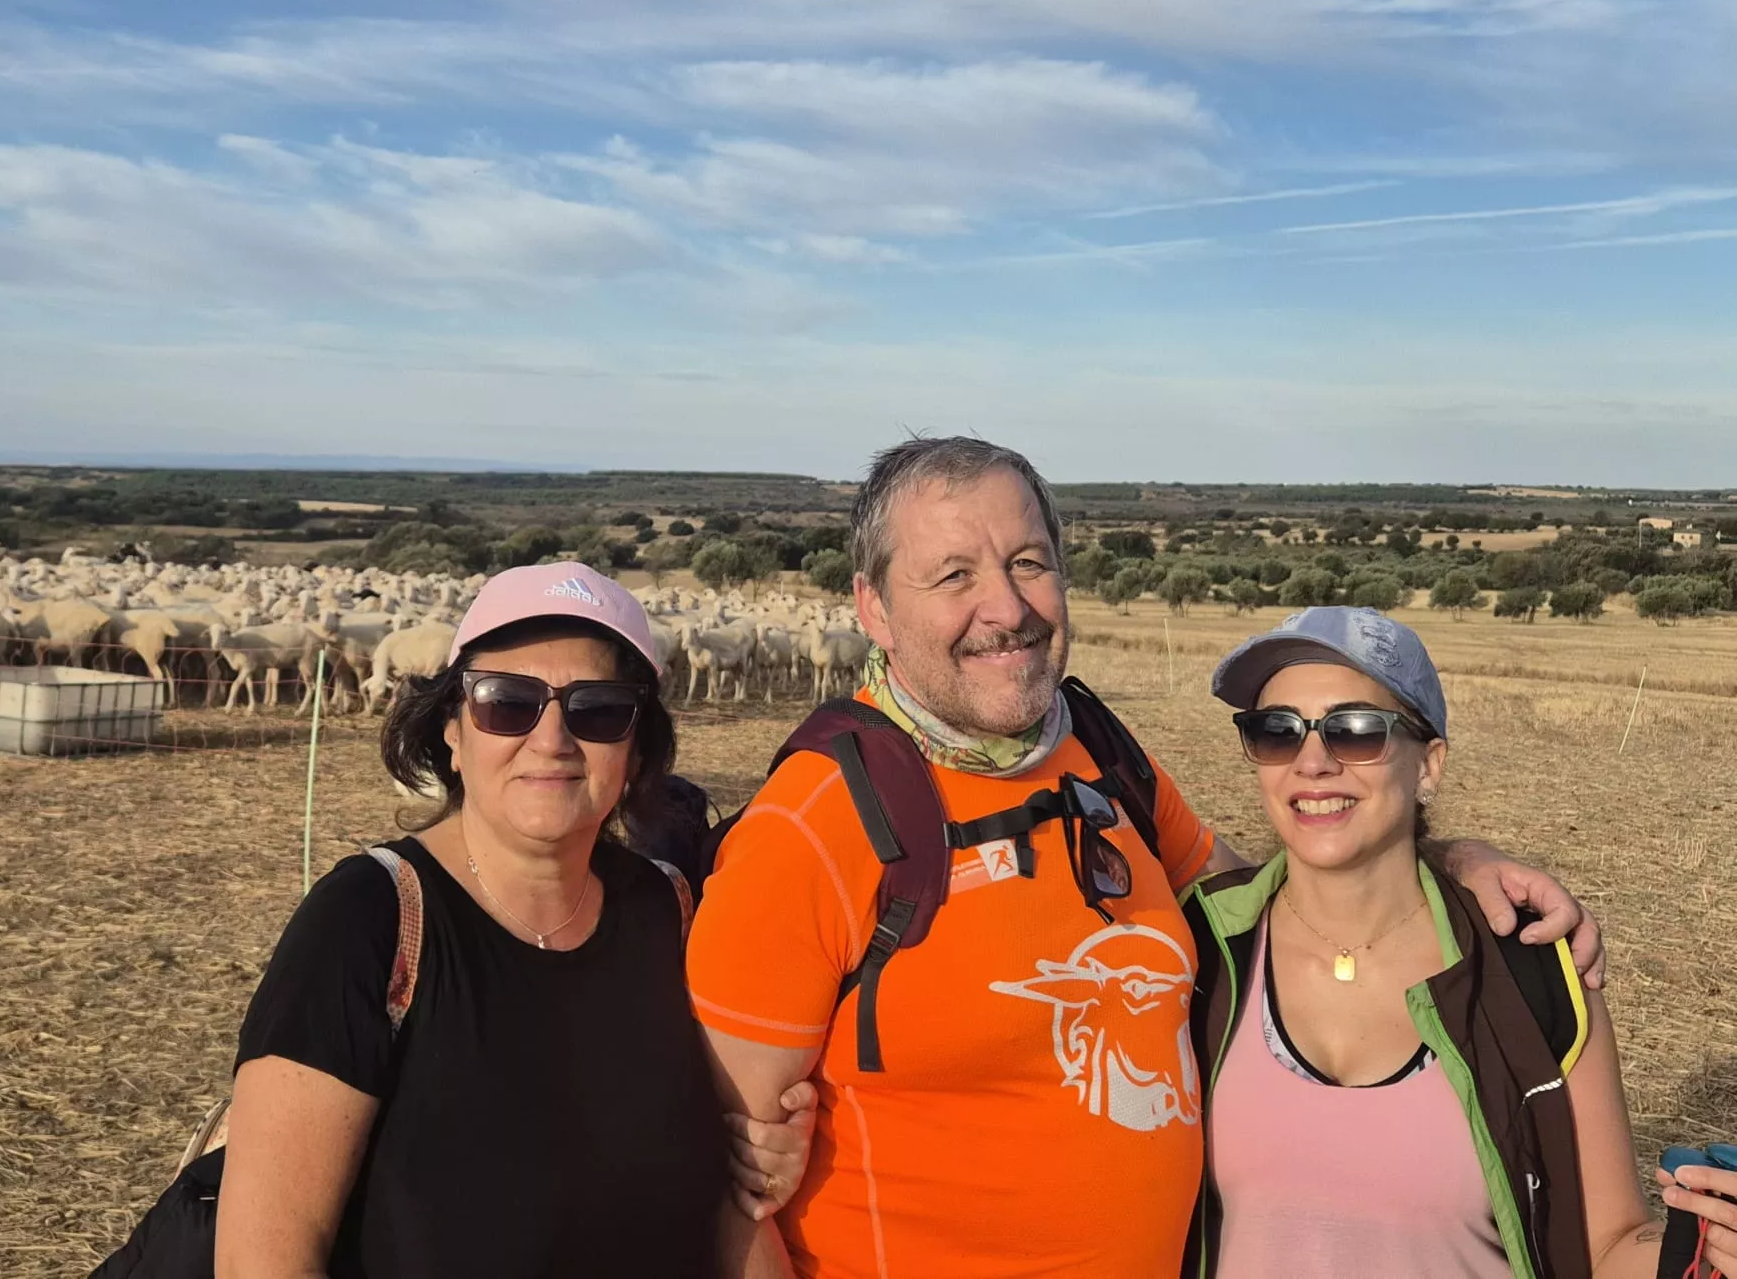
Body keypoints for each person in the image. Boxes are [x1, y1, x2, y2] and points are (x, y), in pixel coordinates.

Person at [686, 436, 1602, 1279]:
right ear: (874, 608)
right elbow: (728, 1195)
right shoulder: (810, 826)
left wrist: (1447, 859)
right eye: (954, 575)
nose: (1004, 608)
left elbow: (1266, 904)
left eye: (1028, 563)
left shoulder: (1097, 754)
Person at [216, 562, 813, 1279]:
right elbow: (266, 1258)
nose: (553, 738)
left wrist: (764, 1153)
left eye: (597, 709)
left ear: (637, 748)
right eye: (507, 702)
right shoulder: (368, 922)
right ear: (453, 734)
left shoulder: (670, 911)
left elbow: (727, 1189)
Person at [1187, 606, 1737, 1279]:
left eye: (1356, 730)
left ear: (1429, 766)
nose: (1312, 762)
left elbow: (1610, 1243)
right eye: (1277, 732)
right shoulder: (1198, 954)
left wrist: (1705, 1252)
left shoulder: (1530, 976)